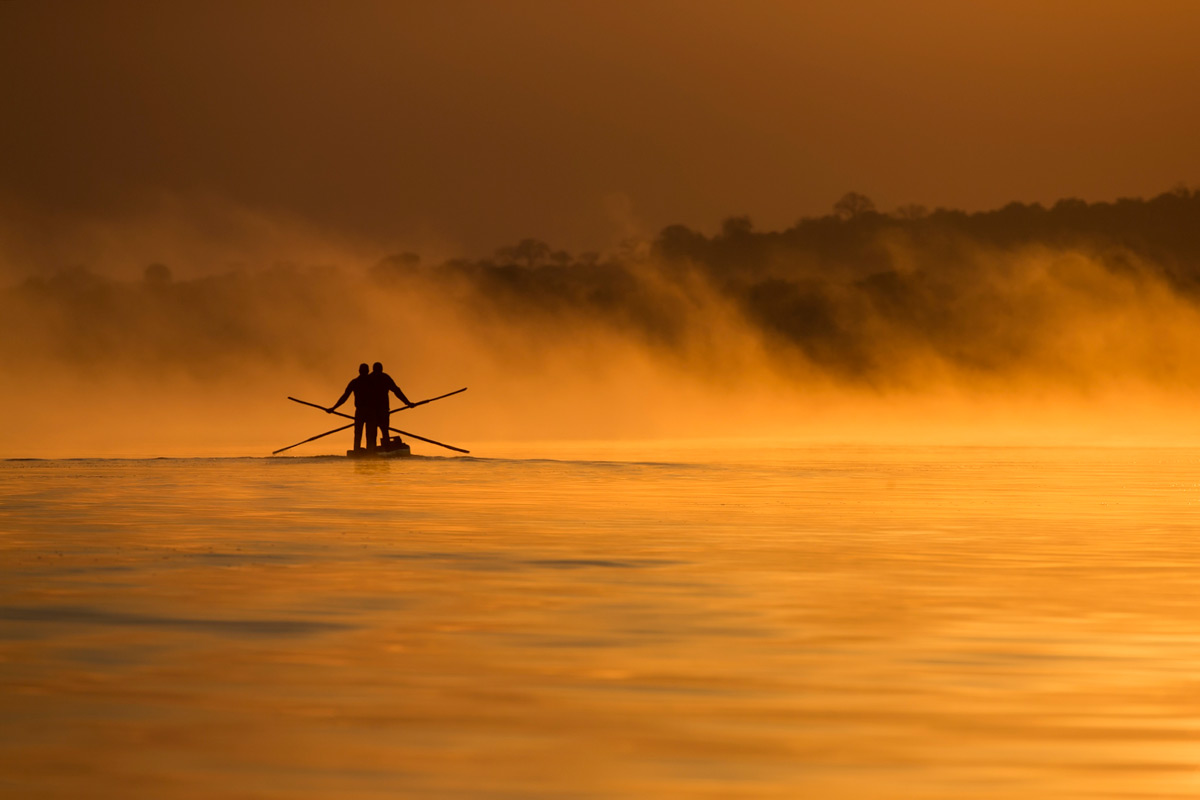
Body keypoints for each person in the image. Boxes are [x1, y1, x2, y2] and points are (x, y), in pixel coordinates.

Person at [366, 361, 414, 450]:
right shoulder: (384, 377)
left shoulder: (370, 378)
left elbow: (396, 391)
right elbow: (396, 391)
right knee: (384, 431)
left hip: (373, 412)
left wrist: (407, 402)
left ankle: (371, 450)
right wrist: (408, 403)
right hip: (379, 411)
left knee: (373, 433)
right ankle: (385, 448)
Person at [326, 363, 374, 451]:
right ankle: (368, 451)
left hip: (367, 412)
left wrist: (333, 408)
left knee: (362, 433)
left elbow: (344, 397)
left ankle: (362, 451)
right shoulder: (364, 382)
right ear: (368, 371)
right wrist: (333, 408)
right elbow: (344, 397)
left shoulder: (357, 382)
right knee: (366, 434)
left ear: (359, 371)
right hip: (365, 412)